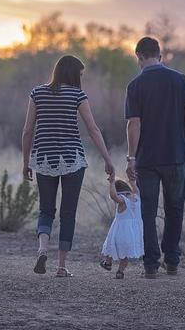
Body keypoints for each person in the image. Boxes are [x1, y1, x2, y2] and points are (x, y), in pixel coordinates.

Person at [22, 55, 115, 278]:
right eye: (80, 74)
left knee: (46, 209)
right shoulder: (77, 95)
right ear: (73, 74)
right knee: (68, 213)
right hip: (72, 159)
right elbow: (93, 130)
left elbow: (27, 131)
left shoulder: (37, 93)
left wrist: (26, 162)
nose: (81, 78)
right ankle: (61, 267)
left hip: (44, 159)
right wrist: (107, 159)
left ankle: (43, 249)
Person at [125, 37, 185, 279]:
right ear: (159, 55)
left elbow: (133, 124)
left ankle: (150, 265)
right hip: (174, 156)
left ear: (139, 55)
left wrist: (131, 157)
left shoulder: (135, 85)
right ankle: (172, 261)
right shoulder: (178, 79)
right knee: (175, 209)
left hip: (147, 159)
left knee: (147, 212)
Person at [99, 177, 144, 279]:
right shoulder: (137, 197)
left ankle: (108, 263)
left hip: (120, 232)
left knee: (111, 246)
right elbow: (135, 188)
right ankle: (120, 271)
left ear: (119, 192)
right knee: (125, 255)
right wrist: (132, 181)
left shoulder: (123, 200)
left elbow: (113, 196)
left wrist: (111, 183)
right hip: (132, 234)